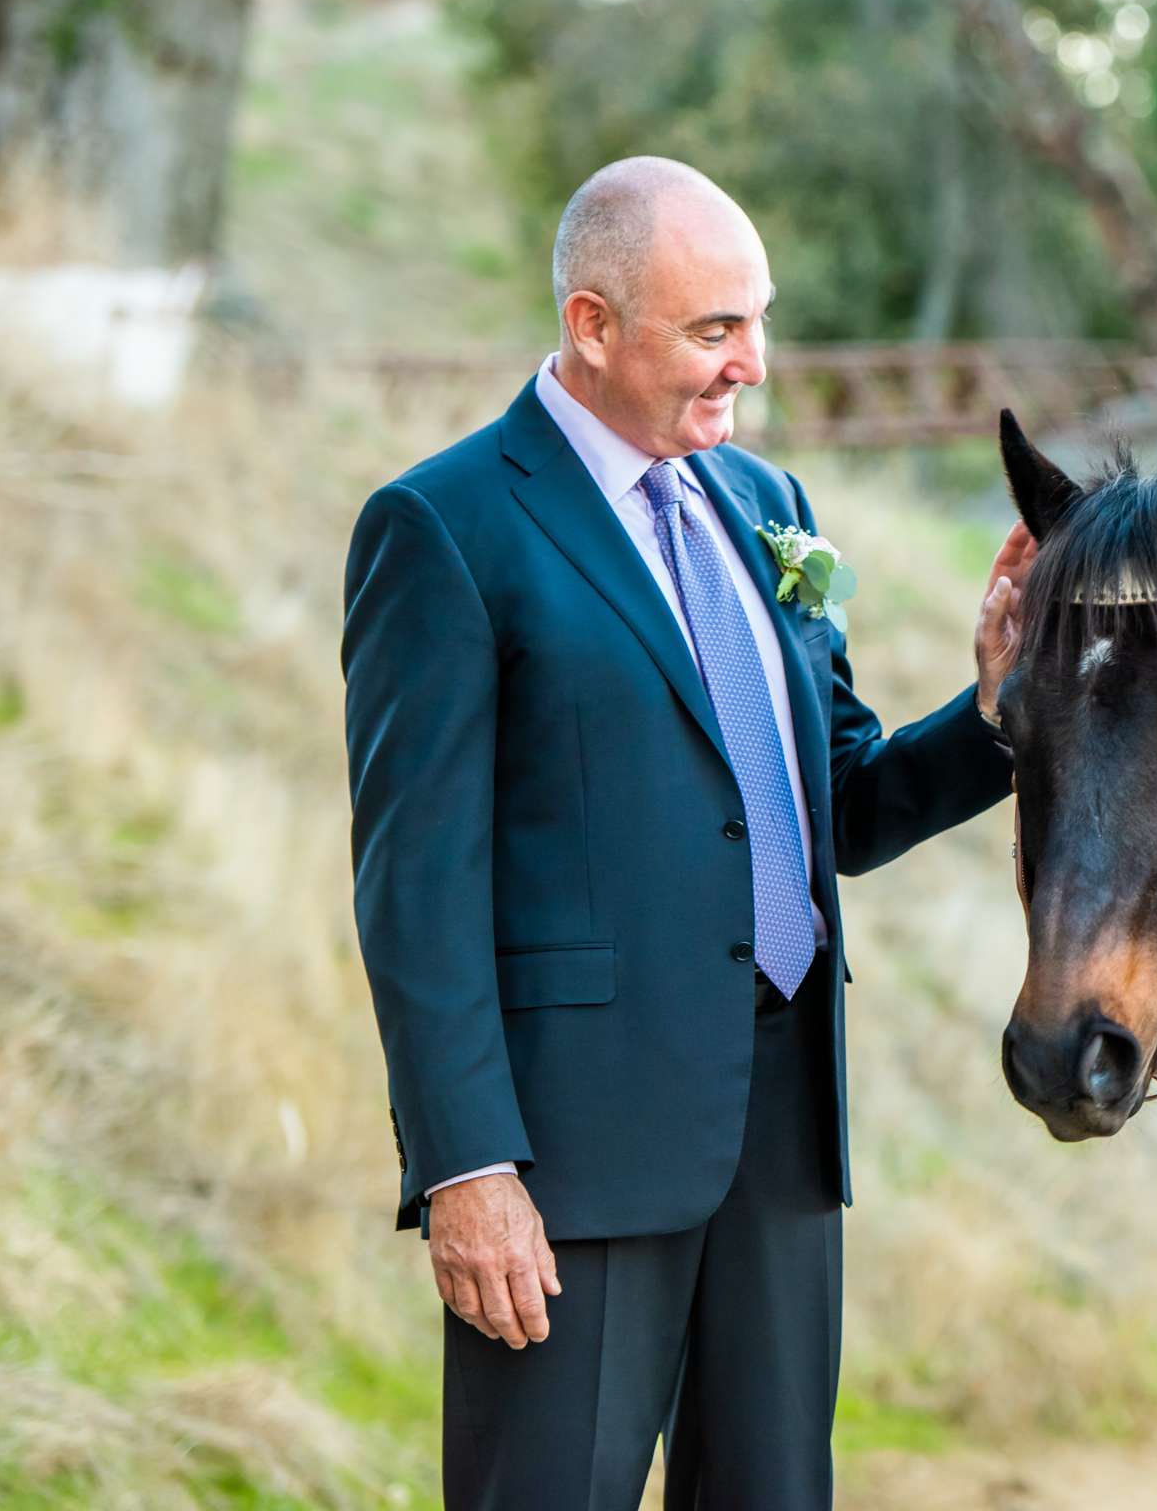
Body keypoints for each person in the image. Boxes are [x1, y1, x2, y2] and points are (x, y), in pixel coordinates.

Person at [341, 155, 1033, 1509]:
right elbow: (415, 888)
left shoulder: (769, 511)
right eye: (715, 330)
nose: (753, 365)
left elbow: (835, 801)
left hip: (781, 1139)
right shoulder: (448, 526)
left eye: (757, 321)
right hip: (568, 1159)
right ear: (592, 326)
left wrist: (1001, 710)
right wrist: (469, 1169)